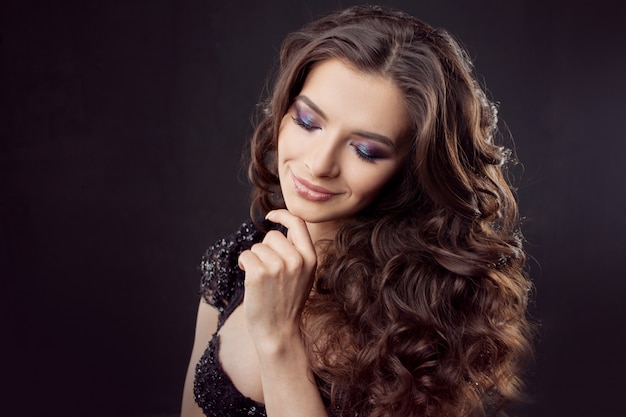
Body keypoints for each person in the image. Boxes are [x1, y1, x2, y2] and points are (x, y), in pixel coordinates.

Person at [181, 5, 534, 417]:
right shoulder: (238, 261)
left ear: (410, 170)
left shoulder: (421, 326)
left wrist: (279, 341)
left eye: (365, 150)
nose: (319, 163)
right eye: (309, 122)